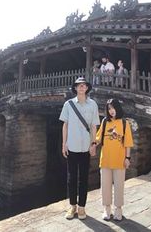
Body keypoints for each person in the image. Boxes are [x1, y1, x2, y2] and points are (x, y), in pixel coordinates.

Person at [59, 77, 100, 220]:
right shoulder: (68, 104)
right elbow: (65, 125)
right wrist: (64, 144)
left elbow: (94, 126)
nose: (82, 88)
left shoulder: (93, 104)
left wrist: (93, 144)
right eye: (79, 85)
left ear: (87, 88)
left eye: (84, 85)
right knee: (71, 178)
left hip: (85, 147)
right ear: (75, 88)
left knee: (84, 178)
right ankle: (72, 207)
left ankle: (82, 208)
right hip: (72, 146)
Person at [95, 98, 134, 221]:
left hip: (119, 160)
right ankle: (107, 209)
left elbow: (128, 142)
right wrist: (91, 142)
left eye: (113, 108)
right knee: (105, 185)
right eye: (109, 109)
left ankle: (118, 209)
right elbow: (98, 139)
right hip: (105, 159)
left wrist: (127, 158)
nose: (112, 111)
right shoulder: (105, 122)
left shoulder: (124, 123)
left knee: (119, 186)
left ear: (118, 108)